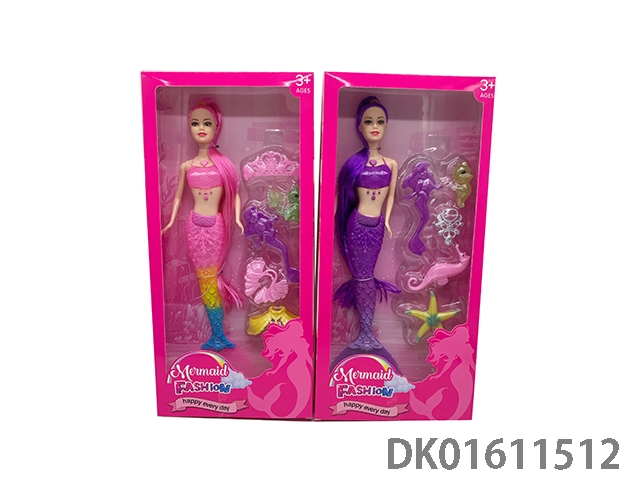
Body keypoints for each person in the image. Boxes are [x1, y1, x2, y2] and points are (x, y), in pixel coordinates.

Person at [162, 98, 243, 351]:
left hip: (215, 226)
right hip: (194, 226)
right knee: (204, 279)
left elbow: (235, 195)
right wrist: (171, 221)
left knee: (211, 277)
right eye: (195, 123)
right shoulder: (186, 166)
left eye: (207, 123)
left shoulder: (224, 166)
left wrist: (237, 218)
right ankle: (217, 333)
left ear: (216, 127)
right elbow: (177, 198)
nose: (201, 128)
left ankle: (218, 334)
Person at [334, 96, 400, 353]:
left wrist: (388, 220)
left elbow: (391, 196)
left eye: (380, 121)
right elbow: (340, 197)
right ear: (359, 126)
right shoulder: (354, 164)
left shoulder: (391, 164)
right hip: (357, 225)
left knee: (367, 277)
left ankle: (366, 332)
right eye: (369, 121)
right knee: (362, 278)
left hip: (377, 225)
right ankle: (365, 332)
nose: (375, 126)